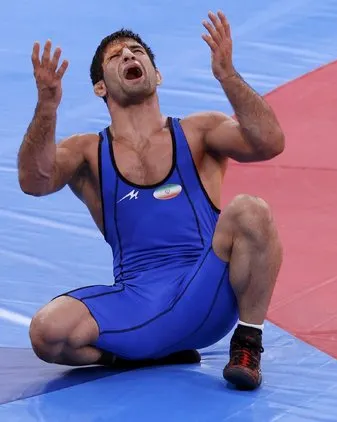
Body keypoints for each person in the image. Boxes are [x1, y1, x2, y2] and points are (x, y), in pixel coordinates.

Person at [16, 10, 284, 391]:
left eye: (136, 50)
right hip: (137, 302)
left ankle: (247, 343)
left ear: (156, 75)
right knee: (47, 331)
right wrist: (46, 107)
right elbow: (34, 182)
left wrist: (227, 75)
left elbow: (270, 142)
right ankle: (140, 355)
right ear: (100, 87)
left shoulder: (199, 132)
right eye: (116, 56)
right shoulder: (87, 153)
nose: (128, 56)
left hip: (204, 293)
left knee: (251, 210)